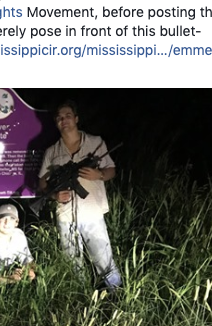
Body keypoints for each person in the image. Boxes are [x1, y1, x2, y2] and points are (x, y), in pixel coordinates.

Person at [38, 100, 122, 291]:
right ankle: (80, 296)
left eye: (68, 116)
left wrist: (99, 174)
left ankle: (116, 293)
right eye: (59, 118)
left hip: (92, 212)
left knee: (104, 258)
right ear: (56, 123)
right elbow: (42, 183)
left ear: (76, 119)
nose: (64, 120)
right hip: (66, 215)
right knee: (72, 262)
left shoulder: (95, 142)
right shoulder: (52, 152)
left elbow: (111, 170)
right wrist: (54, 196)